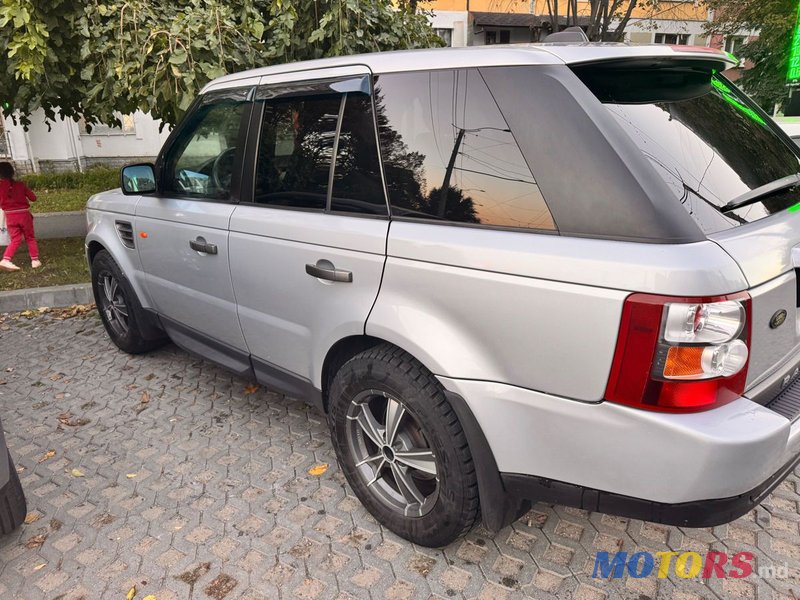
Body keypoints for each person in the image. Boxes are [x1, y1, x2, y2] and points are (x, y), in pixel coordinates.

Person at [0, 161, 40, 271]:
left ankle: (6, 259)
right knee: (30, 237)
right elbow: (33, 198)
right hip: (24, 214)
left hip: (10, 216)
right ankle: (35, 260)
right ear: (12, 172)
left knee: (15, 239)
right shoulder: (20, 185)